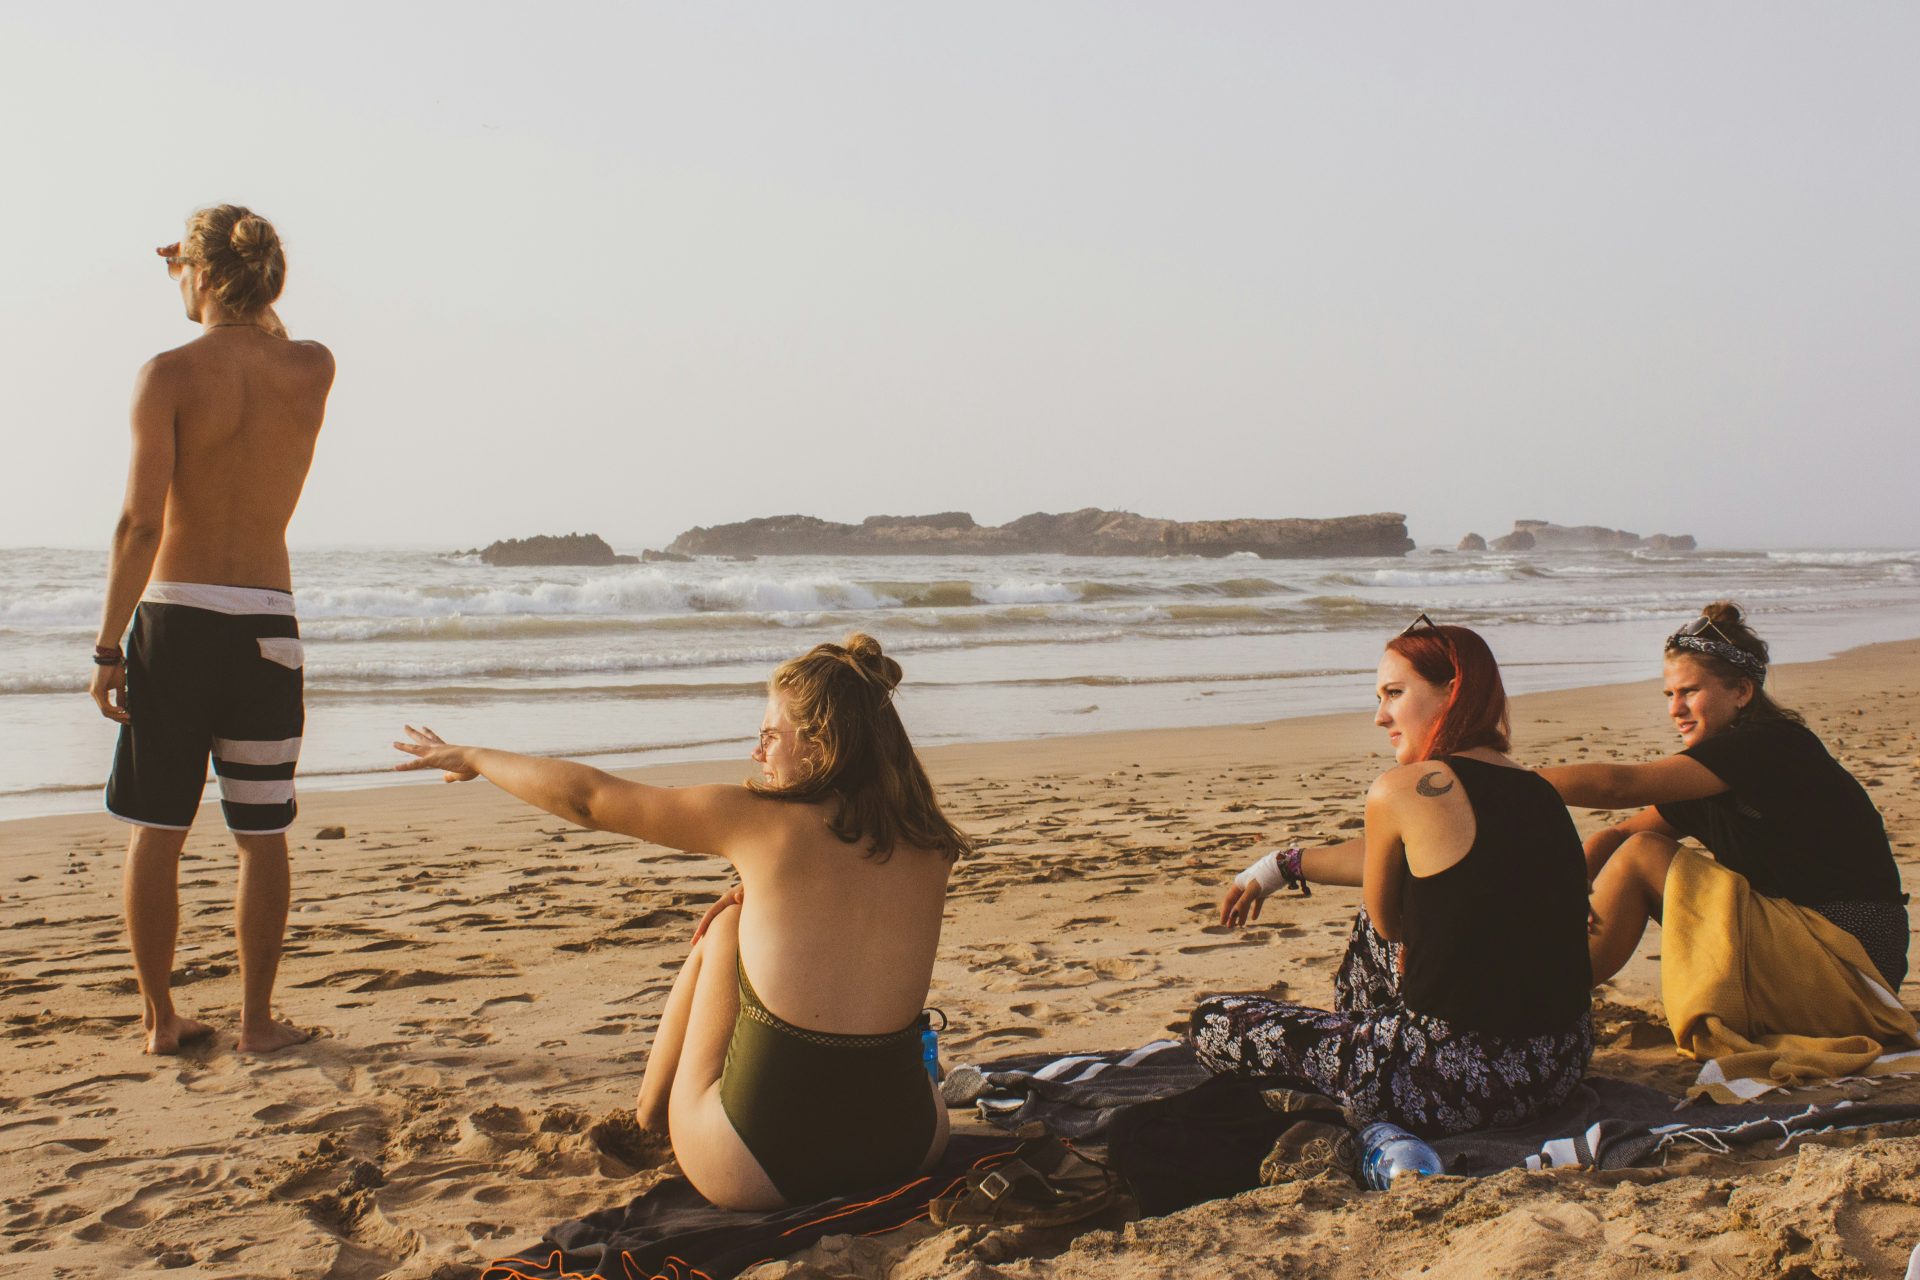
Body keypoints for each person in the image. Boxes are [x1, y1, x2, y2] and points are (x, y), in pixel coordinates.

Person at [392, 634, 968, 1211]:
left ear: (821, 744)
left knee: (724, 928)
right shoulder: (930, 841)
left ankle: (646, 1118)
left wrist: (474, 757)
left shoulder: (760, 823)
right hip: (909, 1148)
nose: (757, 754)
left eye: (769, 737)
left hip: (761, 1167)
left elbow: (589, 800)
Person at [91, 204, 335, 1055]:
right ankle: (259, 1021)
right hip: (267, 626)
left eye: (181, 268)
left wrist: (107, 646)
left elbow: (138, 524)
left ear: (199, 272)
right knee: (261, 836)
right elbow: (263, 332)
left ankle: (161, 1019)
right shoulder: (312, 367)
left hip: (176, 625)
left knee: (158, 829)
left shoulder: (165, 373)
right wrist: (214, 276)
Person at [1192, 619, 1593, 1137]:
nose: (1381, 716)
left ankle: (1363, 1049)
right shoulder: (1537, 790)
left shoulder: (1400, 789)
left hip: (1450, 1084)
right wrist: (1282, 866)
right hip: (1557, 1067)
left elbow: (1386, 922)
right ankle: (1364, 1039)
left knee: (1213, 1021)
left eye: (1395, 694)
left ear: (1453, 691)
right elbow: (1445, 865)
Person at [1540, 602, 1910, 993]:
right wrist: (1573, 884)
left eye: (1689, 692)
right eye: (1669, 694)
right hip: (1804, 950)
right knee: (1634, 846)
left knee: (1642, 855)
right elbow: (1618, 835)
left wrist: (1506, 780)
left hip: (1849, 958)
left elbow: (1620, 786)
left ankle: (1545, 1002)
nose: (1675, 709)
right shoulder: (1714, 772)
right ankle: (1545, 993)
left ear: (1742, 692)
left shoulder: (1769, 746)